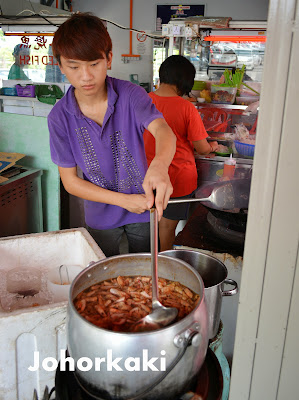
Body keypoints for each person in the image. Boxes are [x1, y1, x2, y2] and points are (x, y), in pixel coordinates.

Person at [47, 13, 176, 257]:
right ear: (61, 66)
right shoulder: (59, 117)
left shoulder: (131, 95)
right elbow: (70, 182)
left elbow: (162, 130)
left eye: (94, 64)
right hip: (100, 213)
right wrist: (123, 201)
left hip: (144, 204)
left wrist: (160, 166)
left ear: (108, 59)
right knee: (104, 275)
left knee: (147, 269)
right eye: (74, 67)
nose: (85, 76)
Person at [144, 55, 219, 251]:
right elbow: (201, 147)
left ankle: (150, 266)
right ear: (185, 82)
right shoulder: (186, 108)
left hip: (147, 176)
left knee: (148, 226)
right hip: (177, 179)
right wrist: (213, 147)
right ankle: (164, 270)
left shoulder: (143, 102)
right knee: (167, 229)